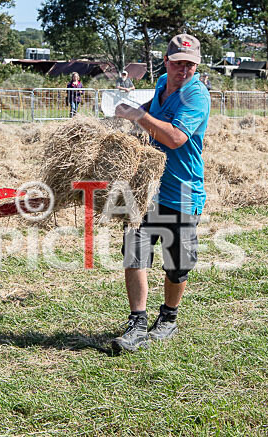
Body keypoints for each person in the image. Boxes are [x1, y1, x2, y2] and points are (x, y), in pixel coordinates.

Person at [112, 33, 210, 353]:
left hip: (182, 192)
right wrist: (132, 111)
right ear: (166, 62)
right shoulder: (163, 82)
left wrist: (139, 117)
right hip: (146, 187)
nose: (184, 70)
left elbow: (175, 138)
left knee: (176, 265)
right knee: (135, 252)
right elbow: (151, 107)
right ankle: (137, 320)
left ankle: (168, 318)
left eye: (190, 65)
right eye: (178, 63)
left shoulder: (196, 96)